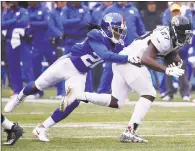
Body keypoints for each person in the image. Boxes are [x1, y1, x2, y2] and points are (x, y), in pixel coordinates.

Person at [4, 13, 141, 141]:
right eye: (117, 29)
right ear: (108, 28)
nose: (120, 33)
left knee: (74, 101)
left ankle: (42, 128)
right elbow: (106, 55)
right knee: (37, 86)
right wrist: (128, 58)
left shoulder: (116, 44)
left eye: (121, 30)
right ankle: (18, 98)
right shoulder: (96, 34)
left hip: (80, 73)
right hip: (66, 64)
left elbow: (126, 51)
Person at [61, 15, 192, 143]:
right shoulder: (164, 37)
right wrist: (166, 69)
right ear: (175, 31)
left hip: (123, 60)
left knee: (116, 101)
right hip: (131, 60)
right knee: (149, 93)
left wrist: (176, 60)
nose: (185, 37)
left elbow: (168, 51)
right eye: (183, 34)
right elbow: (146, 58)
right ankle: (130, 131)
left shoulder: (170, 36)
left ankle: (78, 95)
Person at [97, 2, 146, 93]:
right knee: (109, 69)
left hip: (130, 46)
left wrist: (143, 41)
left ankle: (120, 94)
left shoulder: (134, 10)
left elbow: (140, 29)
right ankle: (102, 92)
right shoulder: (110, 9)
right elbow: (101, 26)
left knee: (128, 70)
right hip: (114, 46)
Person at [1, 2, 32, 98]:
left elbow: (24, 22)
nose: (11, 3)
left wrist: (10, 23)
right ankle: (17, 91)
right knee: (13, 67)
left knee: (27, 66)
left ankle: (31, 90)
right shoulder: (6, 13)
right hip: (10, 41)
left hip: (22, 41)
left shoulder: (22, 11)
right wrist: (14, 20)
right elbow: (2, 25)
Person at [61, 2, 94, 93]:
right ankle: (65, 92)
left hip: (82, 40)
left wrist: (71, 22)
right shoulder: (66, 9)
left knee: (86, 64)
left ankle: (88, 91)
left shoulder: (85, 9)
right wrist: (78, 19)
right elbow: (63, 22)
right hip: (69, 41)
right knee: (66, 65)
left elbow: (86, 22)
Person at [162, 3, 191, 102]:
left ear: (180, 12)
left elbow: (188, 38)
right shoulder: (167, 25)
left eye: (177, 11)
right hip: (169, 51)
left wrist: (181, 49)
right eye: (173, 12)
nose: (175, 13)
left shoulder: (185, 23)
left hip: (181, 52)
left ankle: (185, 94)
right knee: (169, 72)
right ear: (171, 13)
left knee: (182, 73)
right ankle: (170, 93)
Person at [27, 2, 58, 98]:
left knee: (55, 68)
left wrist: (32, 23)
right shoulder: (28, 10)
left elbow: (46, 23)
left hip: (47, 42)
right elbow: (25, 23)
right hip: (36, 43)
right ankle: (37, 91)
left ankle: (61, 92)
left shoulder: (44, 9)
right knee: (35, 67)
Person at [48, 1, 66, 98]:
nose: (62, 3)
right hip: (58, 43)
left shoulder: (69, 11)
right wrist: (60, 35)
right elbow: (51, 26)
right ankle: (60, 92)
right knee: (59, 68)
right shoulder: (53, 13)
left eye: (64, 1)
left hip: (71, 41)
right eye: (60, 1)